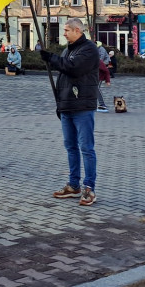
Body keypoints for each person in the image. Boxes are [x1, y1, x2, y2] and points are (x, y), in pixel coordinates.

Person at [42, 18, 99, 207]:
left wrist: (51, 58)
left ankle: (89, 187)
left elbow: (73, 69)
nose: (64, 33)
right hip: (67, 106)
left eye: (66, 30)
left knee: (86, 148)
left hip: (82, 107)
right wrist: (60, 104)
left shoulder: (89, 49)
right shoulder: (68, 50)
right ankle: (74, 185)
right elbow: (63, 79)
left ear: (77, 30)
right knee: (71, 147)